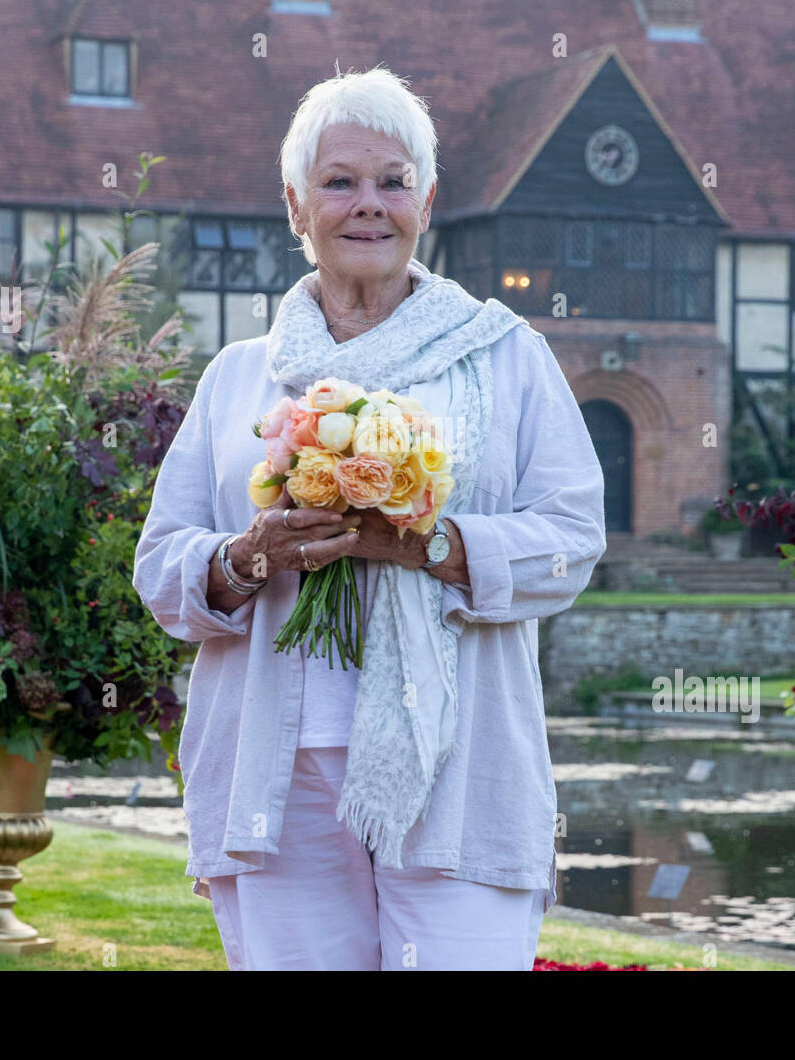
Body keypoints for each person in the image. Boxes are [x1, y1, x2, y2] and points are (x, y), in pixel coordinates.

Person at [132, 65, 607, 970]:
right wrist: (246, 556)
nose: (368, 205)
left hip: (459, 761)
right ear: (294, 203)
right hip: (277, 771)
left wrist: (437, 545)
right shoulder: (238, 376)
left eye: (392, 182)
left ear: (426, 201)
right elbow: (161, 566)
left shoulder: (507, 357)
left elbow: (574, 538)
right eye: (340, 181)